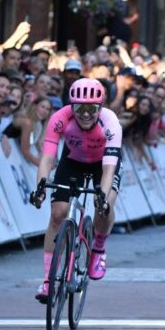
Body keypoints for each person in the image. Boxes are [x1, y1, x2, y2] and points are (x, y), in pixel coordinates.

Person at [29, 78, 123, 302]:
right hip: (73, 161)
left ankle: (98, 247)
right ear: (71, 106)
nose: (85, 114)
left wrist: (103, 195)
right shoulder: (59, 119)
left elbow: (110, 169)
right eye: (80, 107)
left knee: (104, 206)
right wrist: (41, 186)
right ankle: (48, 281)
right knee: (57, 215)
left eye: (91, 108)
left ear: (100, 107)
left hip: (104, 164)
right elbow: (48, 158)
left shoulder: (110, 122)